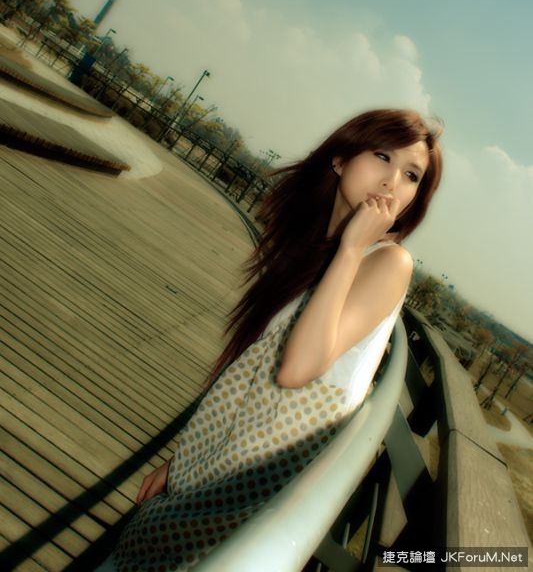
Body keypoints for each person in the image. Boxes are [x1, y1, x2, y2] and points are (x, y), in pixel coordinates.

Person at [97, 108, 443, 572]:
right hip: (216, 471)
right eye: (382, 155)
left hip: (257, 495)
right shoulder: (309, 251)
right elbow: (250, 377)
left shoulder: (386, 262)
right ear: (340, 159)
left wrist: (353, 248)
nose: (391, 182)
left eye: (411, 175)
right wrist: (181, 464)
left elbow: (298, 369)